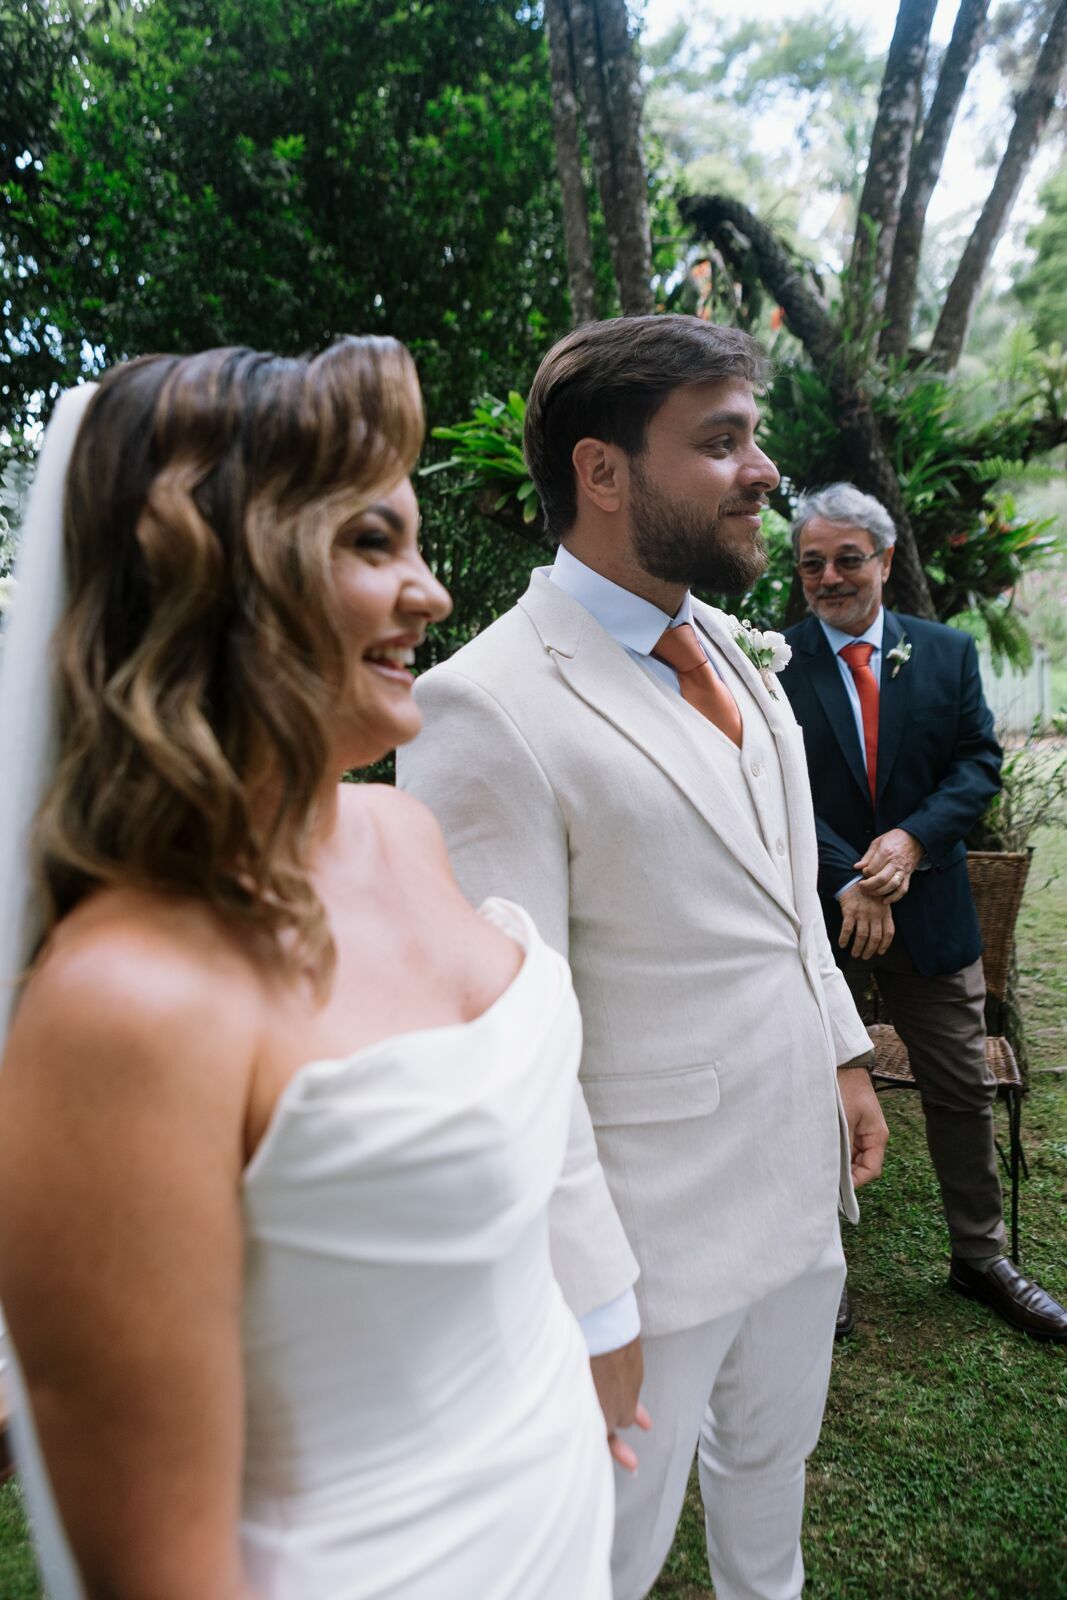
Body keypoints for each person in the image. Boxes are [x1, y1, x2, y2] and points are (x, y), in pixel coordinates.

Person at [0, 339, 617, 1599]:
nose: (433, 592)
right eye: (371, 543)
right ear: (217, 576)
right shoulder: (124, 1007)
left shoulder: (401, 826)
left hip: (553, 1514)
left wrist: (597, 1349)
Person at [397, 314, 889, 1600]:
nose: (762, 470)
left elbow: (782, 889)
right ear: (601, 471)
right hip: (644, 1247)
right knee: (601, 1558)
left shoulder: (729, 639)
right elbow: (503, 1045)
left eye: (753, 436)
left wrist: (839, 1049)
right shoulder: (485, 705)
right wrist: (595, 1298)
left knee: (767, 1490)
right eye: (719, 440)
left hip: (798, 1185)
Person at [780, 482, 1067, 1342]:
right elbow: (767, 782)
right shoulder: (770, 663)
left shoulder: (945, 652)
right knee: (807, 1094)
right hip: (818, 922)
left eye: (845, 559)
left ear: (885, 559)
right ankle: (814, 1261)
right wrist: (850, 876)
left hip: (932, 914)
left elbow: (978, 765)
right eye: (810, 564)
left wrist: (907, 844)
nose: (827, 577)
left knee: (960, 1087)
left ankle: (980, 1259)